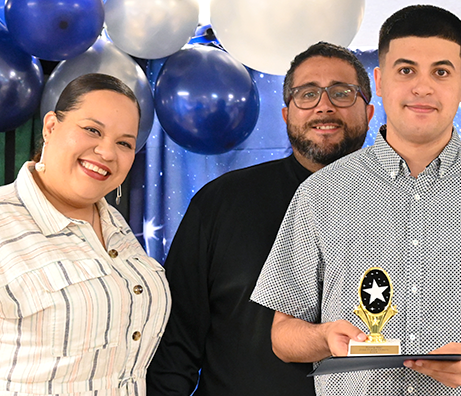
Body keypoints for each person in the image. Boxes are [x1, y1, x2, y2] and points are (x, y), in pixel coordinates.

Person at [250, 5, 461, 395]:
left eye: (441, 72)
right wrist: (324, 339)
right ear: (380, 80)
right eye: (406, 70)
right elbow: (283, 335)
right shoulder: (321, 194)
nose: (422, 87)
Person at [146, 41, 374, 396]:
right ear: (286, 114)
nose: (324, 106)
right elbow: (175, 347)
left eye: (342, 93)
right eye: (307, 94)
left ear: (369, 112)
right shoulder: (220, 203)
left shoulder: (405, 209)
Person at [0, 73, 169, 395]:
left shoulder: (114, 224)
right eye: (92, 130)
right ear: (50, 127)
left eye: (124, 143)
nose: (106, 152)